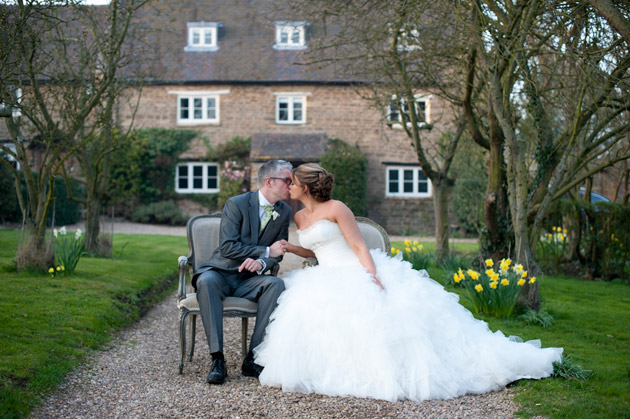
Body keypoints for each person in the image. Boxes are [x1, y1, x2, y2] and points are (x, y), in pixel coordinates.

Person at [254, 163, 563, 402]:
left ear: (305, 187)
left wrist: (370, 276)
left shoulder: (337, 208)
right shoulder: (299, 218)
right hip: (324, 276)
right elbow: (318, 251)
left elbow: (359, 246)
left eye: (292, 182)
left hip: (354, 271)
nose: (288, 186)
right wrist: (294, 248)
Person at [192, 159, 293, 385]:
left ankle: (252, 359)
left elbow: (279, 253)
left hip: (249, 280)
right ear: (269, 181)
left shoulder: (284, 211)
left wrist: (262, 263)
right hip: (221, 272)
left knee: (276, 285)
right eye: (287, 180)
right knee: (206, 281)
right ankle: (217, 359)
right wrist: (264, 251)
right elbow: (228, 246)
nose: (291, 185)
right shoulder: (236, 203)